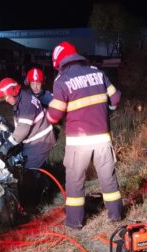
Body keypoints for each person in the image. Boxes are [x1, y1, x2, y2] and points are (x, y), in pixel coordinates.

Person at [46, 42, 123, 229]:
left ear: (60, 62)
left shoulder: (62, 80)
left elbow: (54, 115)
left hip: (78, 142)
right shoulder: (98, 73)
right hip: (102, 138)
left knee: (75, 183)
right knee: (108, 178)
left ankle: (75, 222)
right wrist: (106, 111)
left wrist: (48, 116)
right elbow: (115, 98)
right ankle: (116, 216)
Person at [0, 77, 56, 208]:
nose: (6, 100)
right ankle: (46, 190)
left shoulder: (26, 104)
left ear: (14, 91)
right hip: (36, 140)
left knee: (30, 173)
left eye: (6, 97)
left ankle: (32, 206)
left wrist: (6, 146)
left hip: (40, 142)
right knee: (36, 170)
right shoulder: (23, 98)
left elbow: (22, 131)